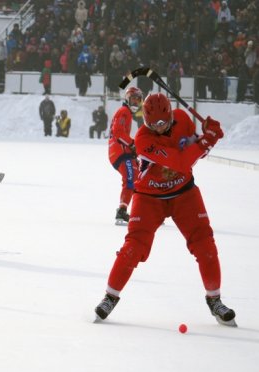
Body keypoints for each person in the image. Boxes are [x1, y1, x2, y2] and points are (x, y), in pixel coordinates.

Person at [94, 93, 236, 327]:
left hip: (184, 193)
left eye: (163, 123)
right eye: (153, 124)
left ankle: (215, 300)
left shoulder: (183, 119)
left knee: (204, 242)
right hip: (149, 197)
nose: (159, 128)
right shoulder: (142, 139)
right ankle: (110, 297)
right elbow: (180, 161)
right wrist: (206, 142)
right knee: (134, 246)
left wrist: (208, 137)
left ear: (171, 115)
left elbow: (193, 152)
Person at [108, 86, 142, 225]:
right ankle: (122, 211)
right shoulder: (124, 112)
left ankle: (143, 209)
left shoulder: (126, 112)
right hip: (119, 152)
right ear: (127, 98)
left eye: (138, 100)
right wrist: (133, 144)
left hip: (123, 152)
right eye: (133, 99)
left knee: (139, 177)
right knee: (131, 178)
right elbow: (118, 132)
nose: (135, 102)